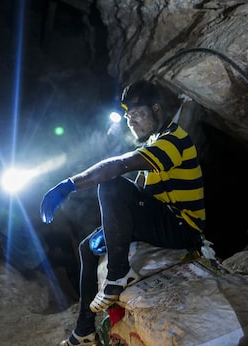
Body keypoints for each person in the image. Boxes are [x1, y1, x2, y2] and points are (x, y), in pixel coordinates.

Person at [40, 80, 206, 346]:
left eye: (138, 115)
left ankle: (119, 272)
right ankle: (85, 330)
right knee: (87, 247)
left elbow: (120, 165)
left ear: (156, 110)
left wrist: (69, 185)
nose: (132, 123)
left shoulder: (174, 140)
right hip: (160, 220)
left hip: (181, 227)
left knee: (112, 183)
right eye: (129, 117)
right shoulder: (155, 140)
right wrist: (115, 230)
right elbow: (140, 195)